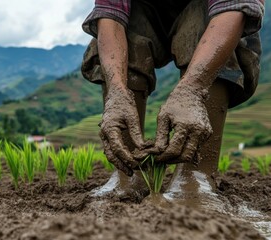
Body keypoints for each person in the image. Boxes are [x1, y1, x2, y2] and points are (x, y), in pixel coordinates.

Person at [81, 0, 264, 205]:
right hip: (144, 12)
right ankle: (130, 174)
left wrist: (192, 90)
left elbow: (232, 7)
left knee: (201, 19)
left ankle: (196, 175)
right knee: (128, 23)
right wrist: (116, 93)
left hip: (214, 15)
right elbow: (111, 14)